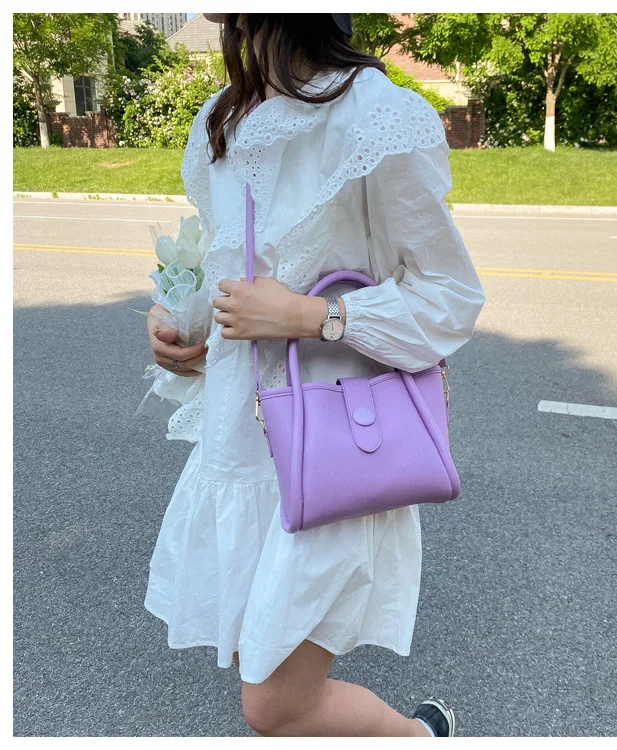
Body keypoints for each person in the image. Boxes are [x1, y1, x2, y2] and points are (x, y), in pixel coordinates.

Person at [143, 12, 485, 737]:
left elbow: (449, 299)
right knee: (262, 666)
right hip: (245, 444)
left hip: (337, 441)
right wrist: (187, 330)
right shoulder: (223, 119)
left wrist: (310, 316)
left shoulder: (375, 117)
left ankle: (421, 736)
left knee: (276, 704)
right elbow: (231, 270)